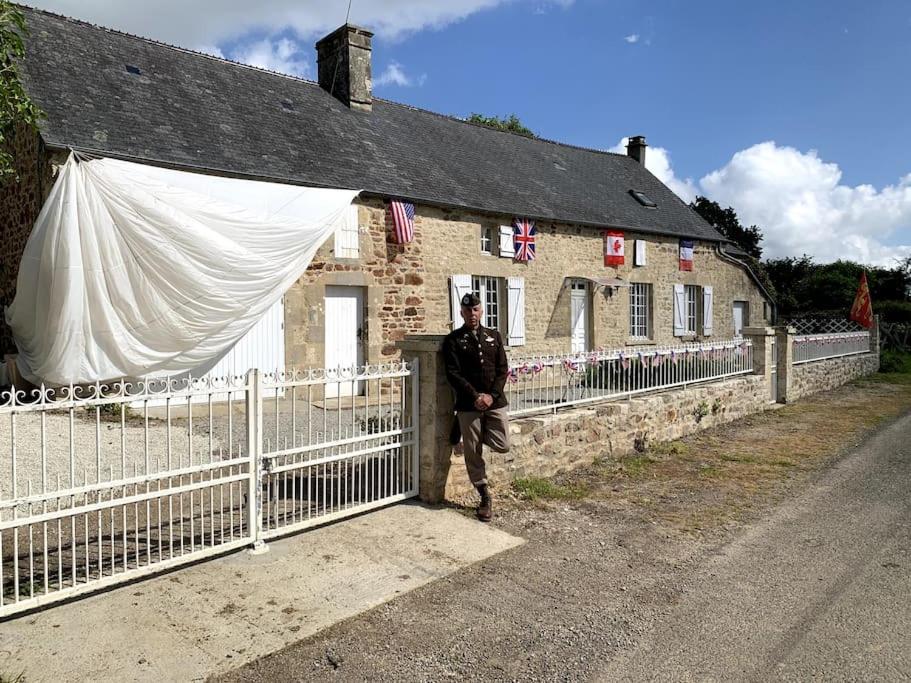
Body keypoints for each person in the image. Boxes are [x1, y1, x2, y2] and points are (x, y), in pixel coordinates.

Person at [442, 292, 510, 521]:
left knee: (503, 444)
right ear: (461, 313)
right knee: (473, 452)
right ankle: (484, 495)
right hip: (468, 403)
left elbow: (502, 370)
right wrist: (474, 396)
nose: (472, 314)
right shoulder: (453, 340)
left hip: (494, 401)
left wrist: (490, 396)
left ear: (482, 311)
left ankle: (463, 428)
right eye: (468, 310)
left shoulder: (494, 336)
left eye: (476, 310)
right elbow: (453, 373)